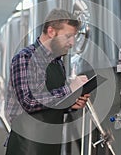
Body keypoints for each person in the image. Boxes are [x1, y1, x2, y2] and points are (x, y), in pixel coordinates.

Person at [5, 8, 90, 155]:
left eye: (74, 37)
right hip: (26, 147)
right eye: (68, 36)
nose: (72, 42)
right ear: (51, 32)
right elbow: (29, 101)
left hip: (51, 146)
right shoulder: (25, 58)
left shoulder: (58, 63)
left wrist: (71, 104)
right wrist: (69, 89)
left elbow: (50, 102)